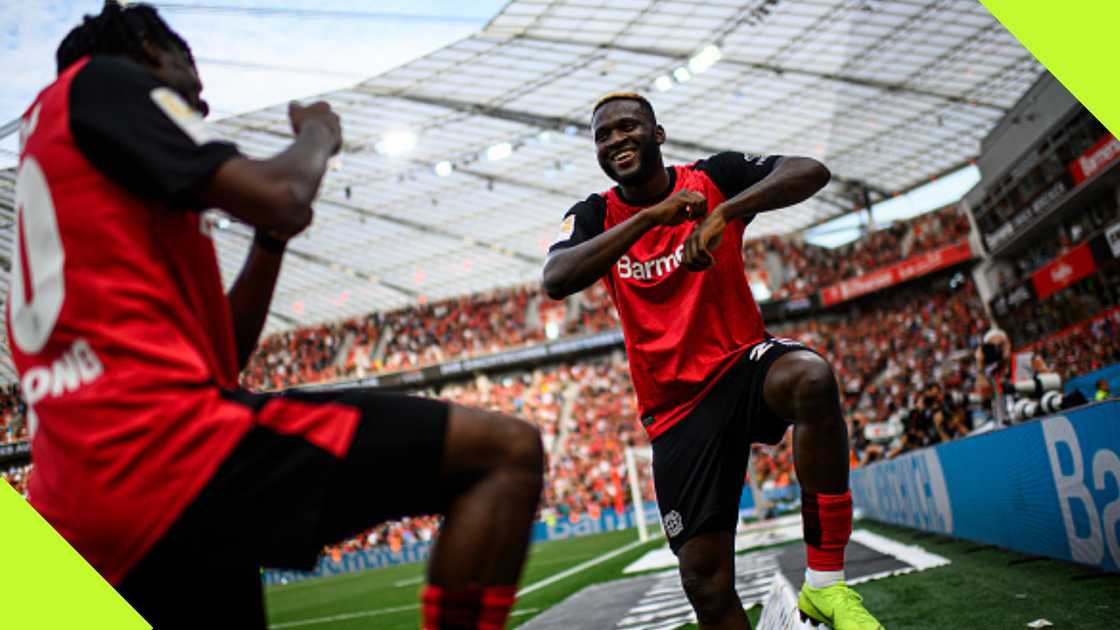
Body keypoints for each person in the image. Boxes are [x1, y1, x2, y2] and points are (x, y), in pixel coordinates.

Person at [10, 3, 542, 628]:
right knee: (505, 452)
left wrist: (269, 241)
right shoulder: (103, 81)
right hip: (165, 455)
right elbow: (283, 195)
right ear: (152, 51)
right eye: (192, 85)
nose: (199, 109)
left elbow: (224, 358)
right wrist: (317, 133)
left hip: (84, 498)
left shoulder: (81, 170)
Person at [543, 92, 882, 629]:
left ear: (657, 135)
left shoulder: (713, 178)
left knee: (811, 379)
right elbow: (556, 279)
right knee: (705, 582)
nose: (615, 140)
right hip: (675, 408)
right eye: (603, 136)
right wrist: (653, 217)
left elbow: (811, 171)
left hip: (740, 364)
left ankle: (824, 585)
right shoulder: (593, 214)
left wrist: (727, 211)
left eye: (628, 127)